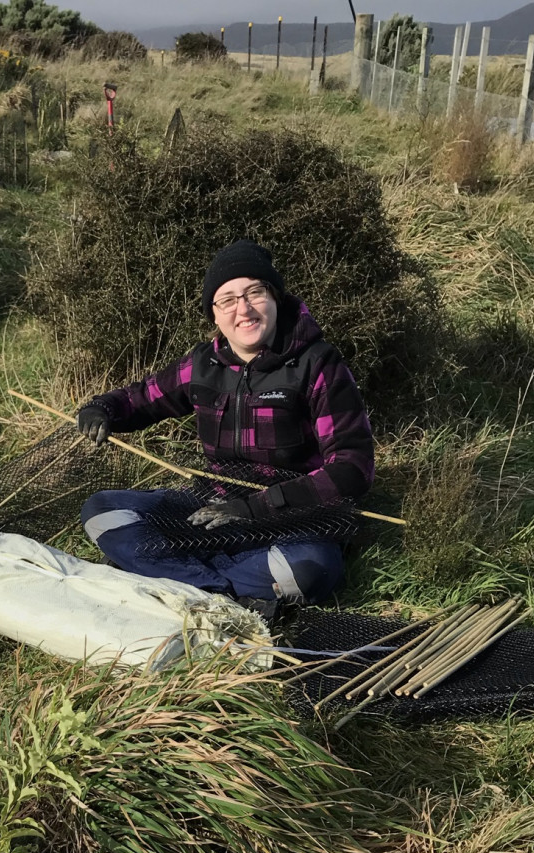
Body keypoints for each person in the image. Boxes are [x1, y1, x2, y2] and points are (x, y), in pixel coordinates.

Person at [76, 239, 374, 608]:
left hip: (292, 521)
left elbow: (351, 469)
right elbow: (140, 398)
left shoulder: (318, 364)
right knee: (101, 511)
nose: (244, 309)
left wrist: (256, 508)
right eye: (228, 300)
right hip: (210, 509)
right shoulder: (204, 363)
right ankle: (222, 589)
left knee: (311, 570)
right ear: (214, 314)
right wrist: (101, 408)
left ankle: (174, 577)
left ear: (275, 299)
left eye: (255, 293)